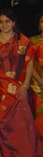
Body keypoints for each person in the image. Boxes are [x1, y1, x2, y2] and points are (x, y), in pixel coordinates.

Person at [0, 8, 43, 157]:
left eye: (7, 21)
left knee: (21, 122)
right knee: (1, 121)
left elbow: (29, 64)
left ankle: (23, 154)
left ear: (13, 22)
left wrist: (25, 85)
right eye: (1, 22)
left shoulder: (23, 41)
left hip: (19, 88)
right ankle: (6, 154)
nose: (4, 25)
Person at [30, 11, 43, 148]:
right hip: (38, 86)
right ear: (39, 25)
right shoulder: (32, 42)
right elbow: (29, 65)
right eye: (42, 21)